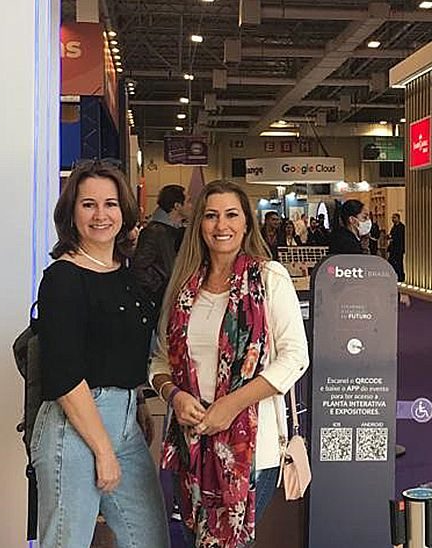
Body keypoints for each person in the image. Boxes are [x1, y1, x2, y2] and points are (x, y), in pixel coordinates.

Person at [150, 180, 309, 547]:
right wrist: (174, 395)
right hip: (190, 444)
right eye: (211, 216)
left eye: (231, 215)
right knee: (194, 539)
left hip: (253, 448)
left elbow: (295, 357)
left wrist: (231, 405)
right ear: (199, 225)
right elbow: (159, 359)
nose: (221, 225)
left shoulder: (268, 277)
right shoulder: (184, 285)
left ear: (247, 223)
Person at [32, 160, 169, 548]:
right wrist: (103, 450)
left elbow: (118, 348)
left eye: (110, 204)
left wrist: (136, 401)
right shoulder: (62, 278)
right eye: (88, 204)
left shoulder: (124, 272)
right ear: (71, 213)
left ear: (124, 211)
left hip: (125, 421)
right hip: (75, 427)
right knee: (67, 542)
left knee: (149, 539)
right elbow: (64, 374)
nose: (100, 215)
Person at [132, 184, 187, 308]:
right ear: (177, 206)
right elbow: (138, 268)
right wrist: (159, 287)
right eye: (188, 201)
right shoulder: (154, 232)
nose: (192, 205)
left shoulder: (175, 231)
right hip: (160, 300)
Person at [388, 213, 406, 282]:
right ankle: (397, 275)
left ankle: (401, 276)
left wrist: (392, 238)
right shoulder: (394, 227)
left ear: (398, 218)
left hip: (398, 248)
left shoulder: (401, 227)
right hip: (393, 248)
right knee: (392, 261)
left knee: (399, 263)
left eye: (394, 218)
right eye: (392, 218)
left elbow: (401, 238)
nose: (393, 219)